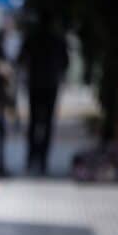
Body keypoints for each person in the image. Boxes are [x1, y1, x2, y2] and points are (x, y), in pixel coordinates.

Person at [20, 13, 69, 175]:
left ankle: (32, 159)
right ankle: (42, 160)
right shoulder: (57, 39)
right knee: (47, 123)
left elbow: (21, 58)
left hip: (36, 83)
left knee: (34, 122)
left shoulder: (33, 38)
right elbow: (65, 62)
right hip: (50, 84)